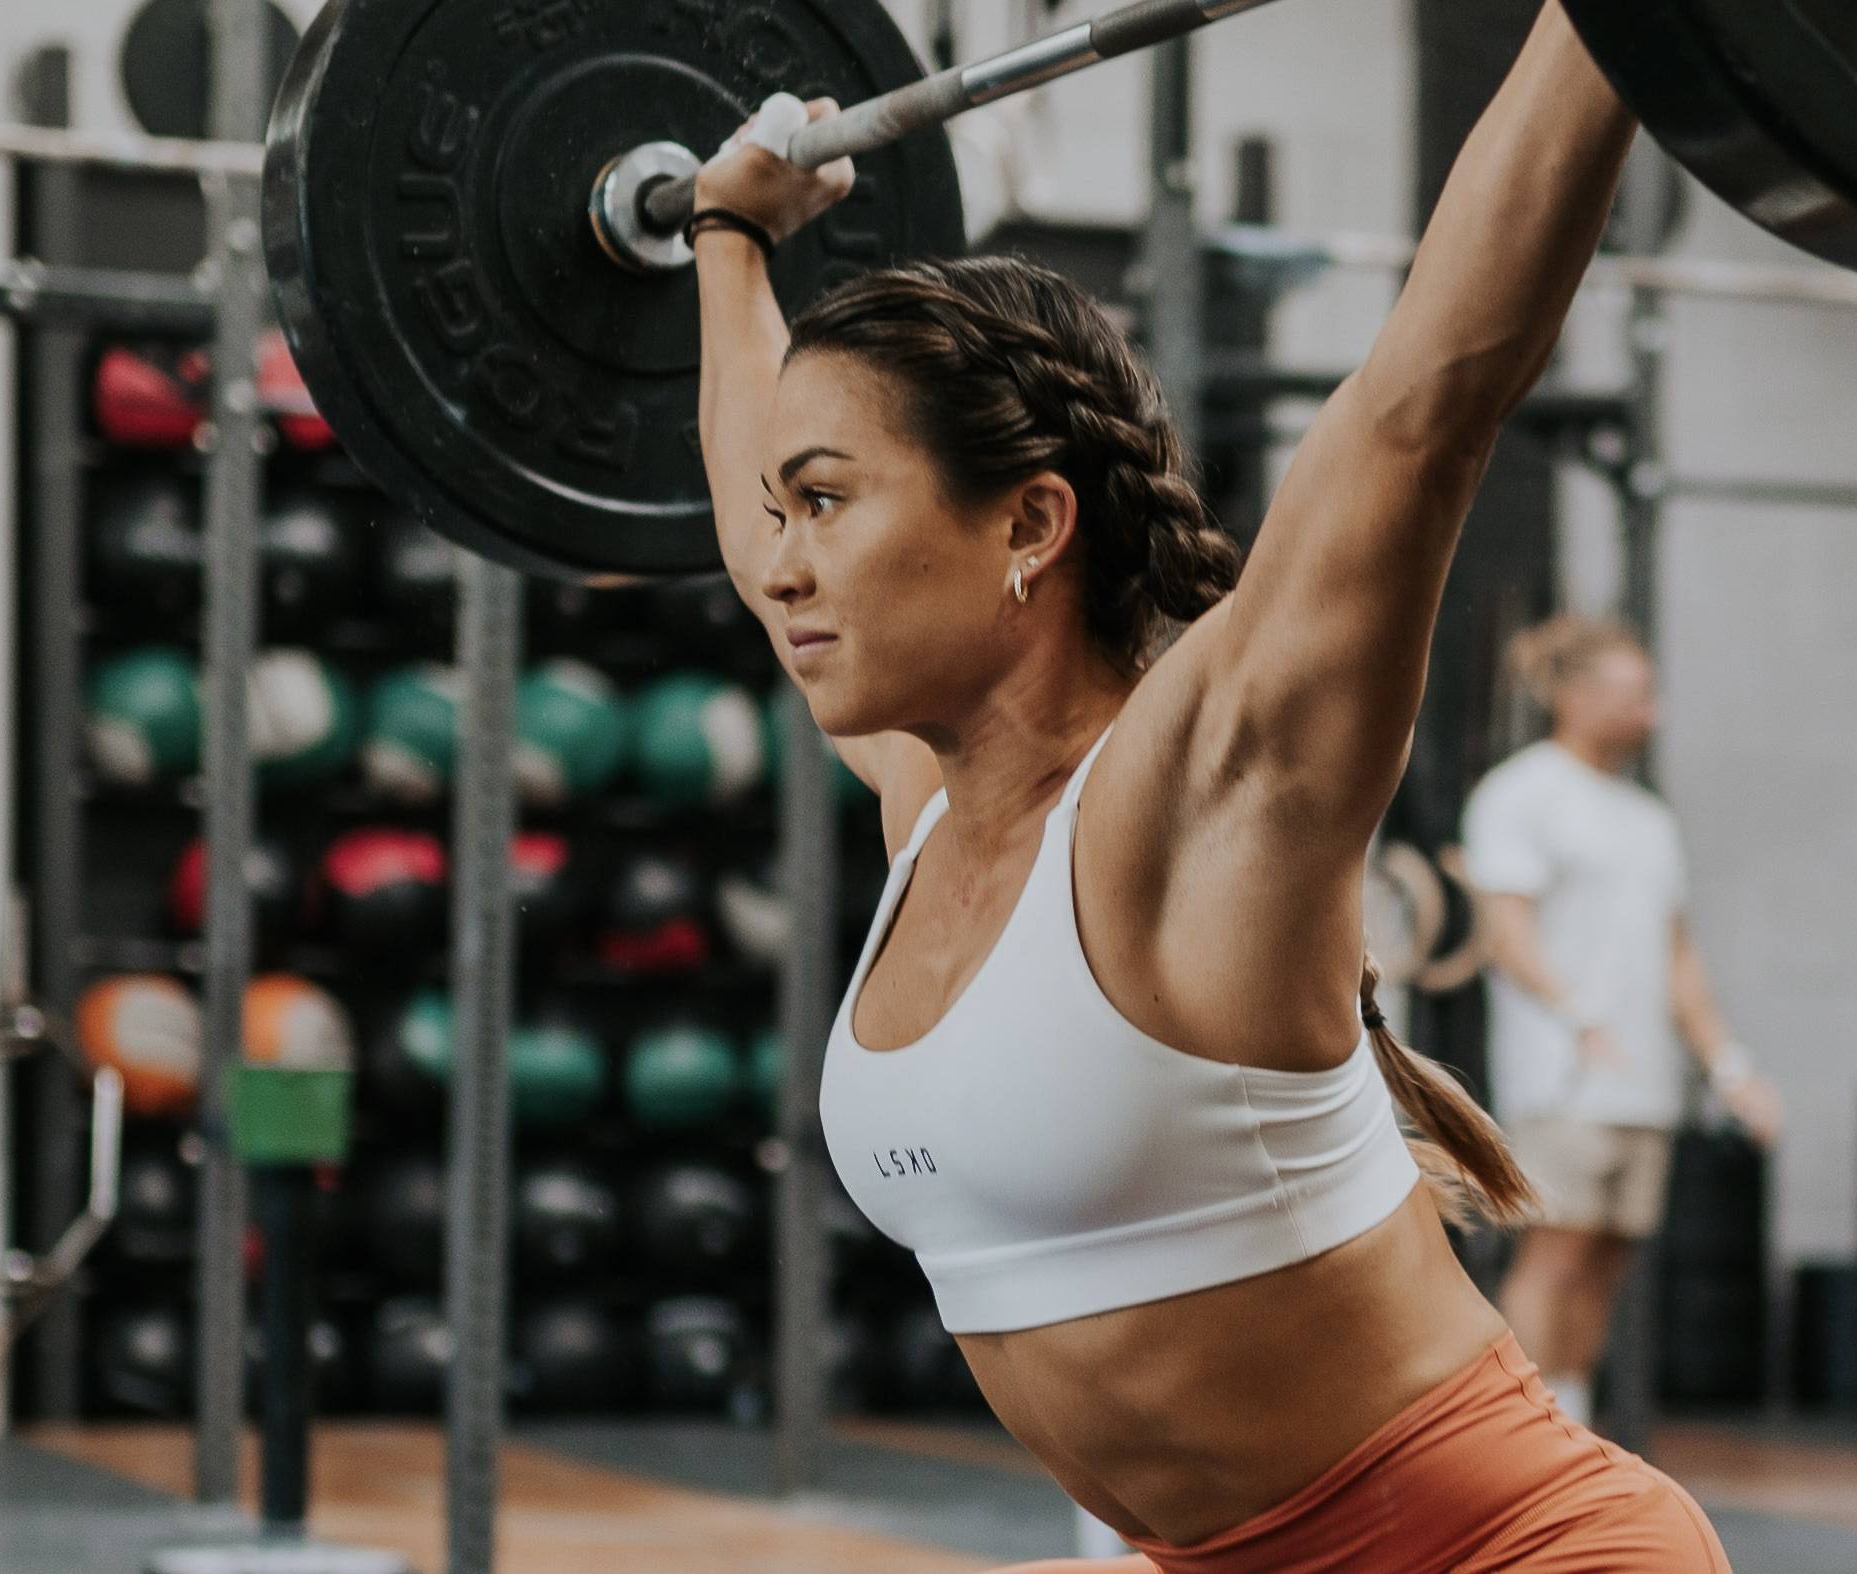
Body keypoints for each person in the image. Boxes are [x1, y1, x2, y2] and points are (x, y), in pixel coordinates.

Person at [688, 8, 1731, 1571]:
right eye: (782, 509)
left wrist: (1605, 31)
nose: (781, 565)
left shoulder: (1202, 798)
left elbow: (1426, 400)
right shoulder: (934, 815)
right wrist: (722, 241)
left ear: (1029, 523)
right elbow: (750, 508)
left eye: (826, 502)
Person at [1460, 617, 1780, 1429]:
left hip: (1644, 1088)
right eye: (1634, 696)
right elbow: (1507, 930)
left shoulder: (1649, 821)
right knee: (1554, 1255)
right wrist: (1579, 1019)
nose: (1653, 714)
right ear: (1573, 697)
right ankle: (1517, 1443)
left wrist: (1731, 1070)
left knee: (1605, 1264)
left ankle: (1568, 1430)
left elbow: (1680, 961)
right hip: (1561, 1083)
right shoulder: (1520, 794)